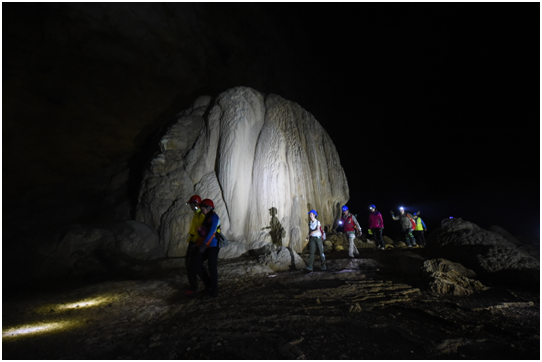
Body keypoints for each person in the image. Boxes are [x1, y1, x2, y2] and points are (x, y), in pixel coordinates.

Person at [195, 198, 221, 301]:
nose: (202, 210)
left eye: (203, 208)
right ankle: (208, 285)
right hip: (205, 245)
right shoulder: (206, 218)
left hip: (213, 245)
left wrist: (204, 244)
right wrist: (198, 244)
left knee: (212, 267)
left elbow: (212, 231)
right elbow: (203, 233)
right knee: (197, 263)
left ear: (209, 208)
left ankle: (214, 292)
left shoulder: (214, 217)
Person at [183, 195, 206, 296]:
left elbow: (203, 230)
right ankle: (204, 280)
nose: (190, 206)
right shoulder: (197, 214)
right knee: (194, 264)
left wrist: (198, 244)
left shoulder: (200, 215)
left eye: (191, 204)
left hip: (196, 242)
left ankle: (194, 287)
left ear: (196, 204)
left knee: (191, 265)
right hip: (193, 241)